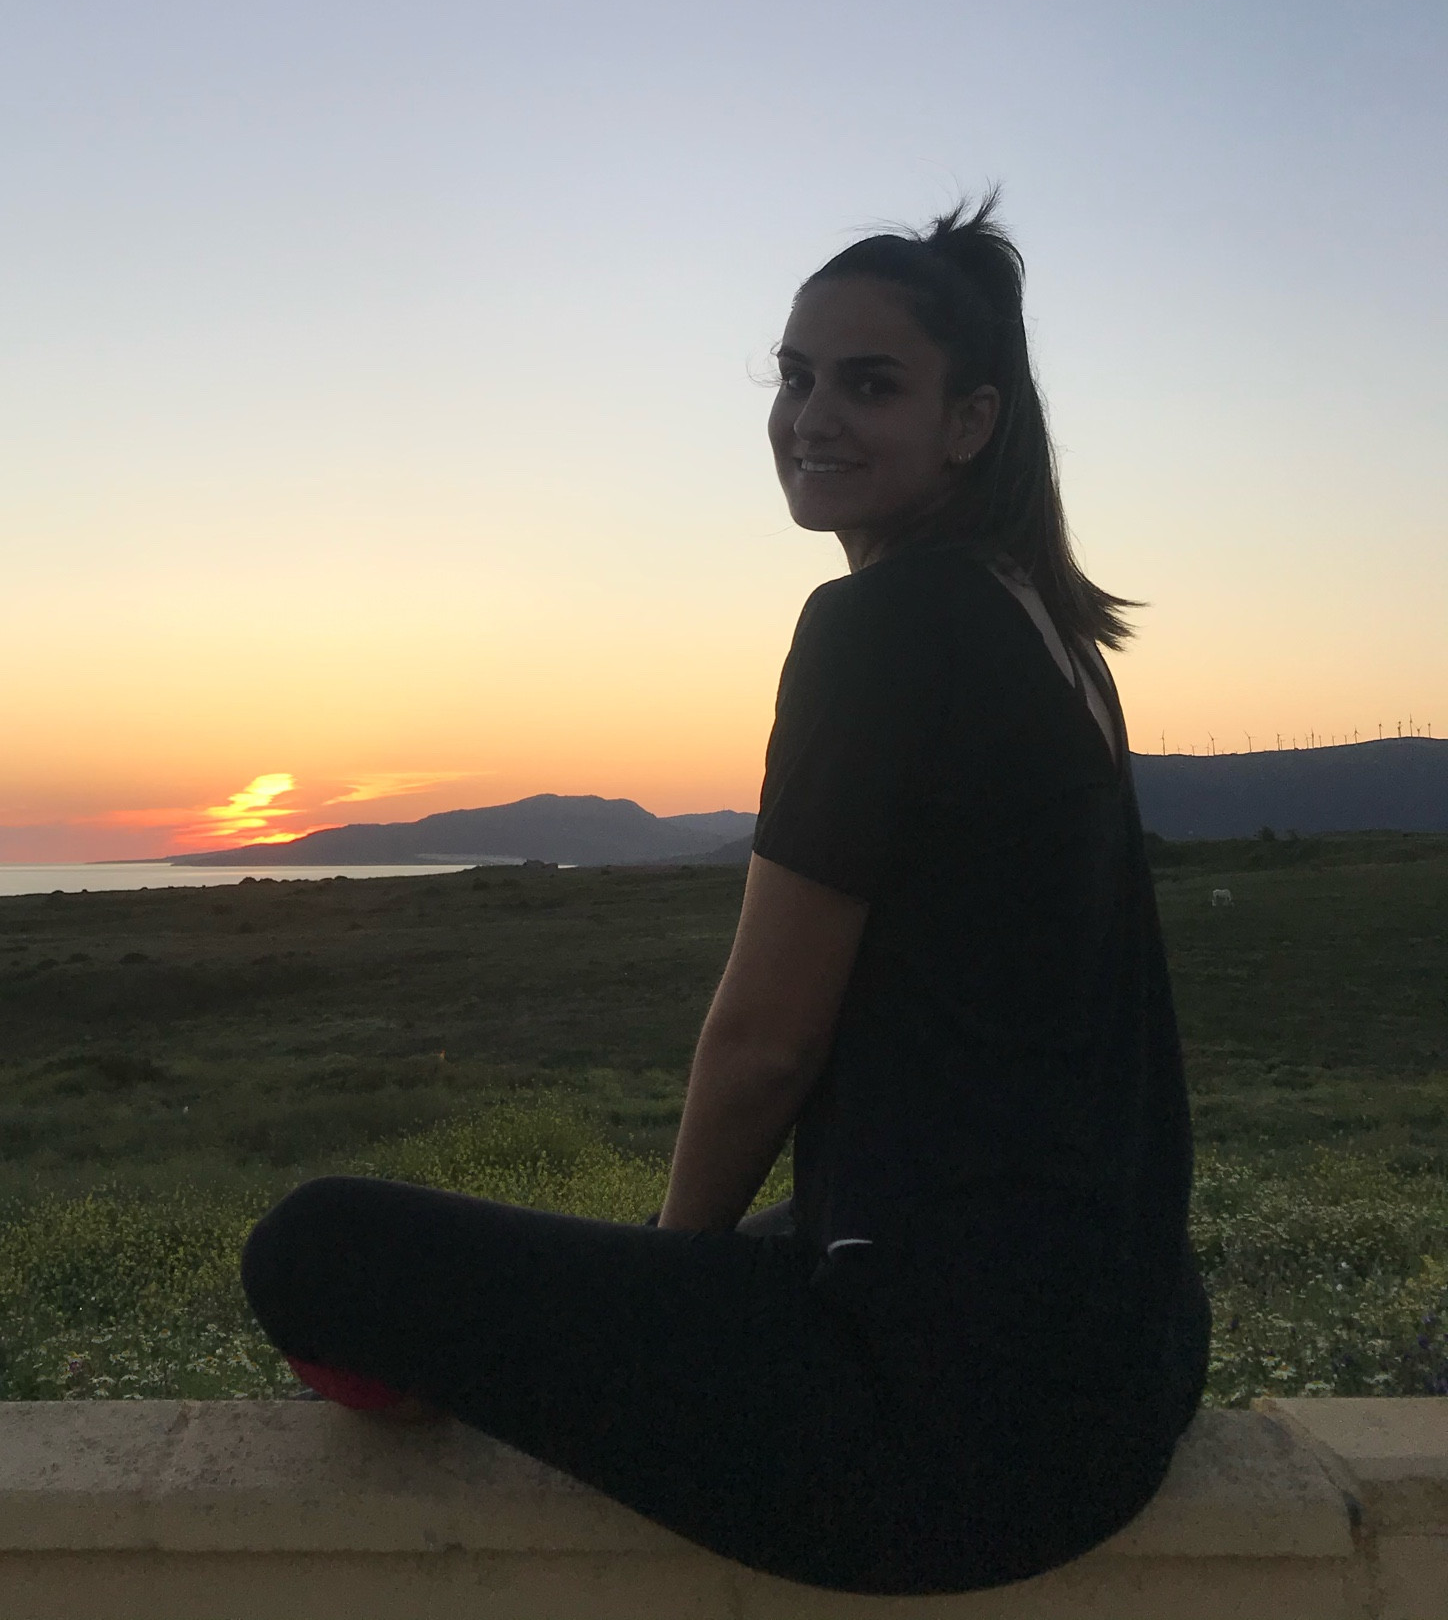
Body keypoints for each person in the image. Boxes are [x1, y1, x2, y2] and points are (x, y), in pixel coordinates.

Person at [242, 192, 1210, 1595]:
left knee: (315, 1252)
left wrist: (665, 1286)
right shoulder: (1057, 640)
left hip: (953, 1430)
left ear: (970, 422)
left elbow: (765, 1042)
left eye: (869, 385)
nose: (812, 417)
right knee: (725, 1246)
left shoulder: (882, 624)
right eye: (796, 376)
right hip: (1128, 1361)